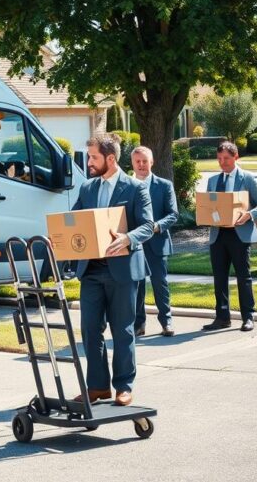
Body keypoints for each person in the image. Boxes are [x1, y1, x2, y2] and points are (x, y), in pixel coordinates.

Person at [70, 134, 154, 407]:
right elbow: (73, 221)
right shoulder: (87, 188)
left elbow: (147, 225)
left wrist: (127, 238)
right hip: (92, 271)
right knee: (90, 330)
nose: (89, 162)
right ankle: (97, 387)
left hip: (122, 270)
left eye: (94, 157)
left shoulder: (135, 188)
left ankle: (123, 387)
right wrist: (58, 236)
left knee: (123, 330)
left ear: (110, 158)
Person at [202, 141, 257, 332]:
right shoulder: (213, 181)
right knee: (219, 278)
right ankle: (222, 317)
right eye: (219, 159)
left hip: (239, 235)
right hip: (218, 234)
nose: (222, 162)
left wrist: (249, 215)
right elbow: (209, 206)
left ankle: (248, 317)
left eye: (226, 158)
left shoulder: (248, 178)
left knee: (243, 277)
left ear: (236, 157)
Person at [130, 146, 179, 337]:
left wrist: (156, 227)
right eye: (138, 161)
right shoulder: (126, 185)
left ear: (152, 162)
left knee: (160, 284)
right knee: (137, 286)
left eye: (145, 161)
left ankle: (166, 322)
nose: (141, 165)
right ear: (133, 163)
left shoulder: (164, 185)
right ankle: (139, 324)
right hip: (135, 244)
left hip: (157, 242)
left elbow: (173, 214)